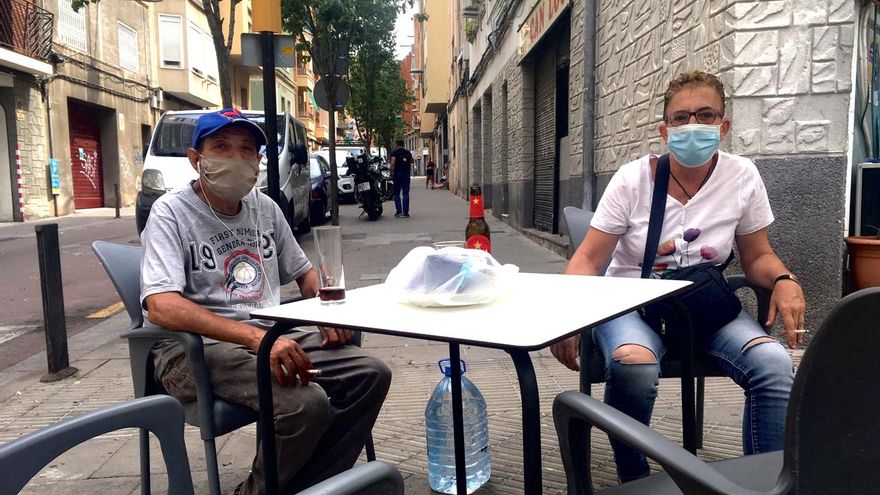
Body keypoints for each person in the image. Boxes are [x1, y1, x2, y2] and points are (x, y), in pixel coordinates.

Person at [550, 71, 803, 483]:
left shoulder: (742, 176)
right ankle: (636, 478)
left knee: (774, 364)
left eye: (705, 115)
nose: (693, 125)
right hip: (632, 303)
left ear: (723, 126)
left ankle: (766, 480)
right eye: (681, 117)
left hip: (702, 306)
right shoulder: (633, 180)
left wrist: (783, 279)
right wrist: (567, 315)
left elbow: (758, 255)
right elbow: (590, 258)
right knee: (635, 365)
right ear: (664, 130)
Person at [140, 108, 391, 495]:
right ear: (196, 159)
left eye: (247, 150)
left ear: (258, 161)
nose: (236, 159)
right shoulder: (170, 212)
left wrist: (327, 305)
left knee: (370, 373)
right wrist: (254, 339)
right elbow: (160, 305)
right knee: (305, 405)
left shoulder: (265, 208)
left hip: (265, 337)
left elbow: (305, 273)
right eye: (221, 147)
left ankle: (311, 485)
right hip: (191, 350)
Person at [389, 139, 413, 217]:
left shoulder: (394, 153)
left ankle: (399, 211)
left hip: (397, 175)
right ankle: (405, 213)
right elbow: (411, 161)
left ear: (396, 144)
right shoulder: (408, 153)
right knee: (405, 193)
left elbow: (392, 163)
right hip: (406, 175)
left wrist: (392, 173)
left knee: (396, 193)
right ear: (403, 144)